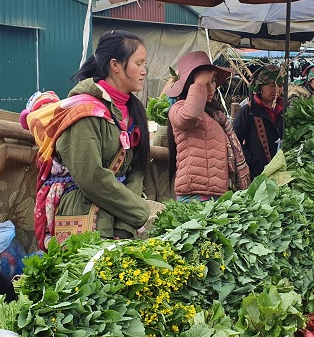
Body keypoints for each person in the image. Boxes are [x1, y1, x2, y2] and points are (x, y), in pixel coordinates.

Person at [25, 30, 152, 246]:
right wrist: (141, 212)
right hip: (82, 213)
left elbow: (137, 168)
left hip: (121, 216)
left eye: (144, 64)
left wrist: (126, 223)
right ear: (115, 65)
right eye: (138, 63)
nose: (144, 71)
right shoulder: (84, 112)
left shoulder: (133, 111)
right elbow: (91, 177)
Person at [168, 51, 250, 201]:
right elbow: (190, 115)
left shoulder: (215, 115)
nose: (211, 88)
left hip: (217, 195)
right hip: (195, 196)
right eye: (205, 83)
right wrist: (199, 83)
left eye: (212, 81)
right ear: (190, 86)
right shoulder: (179, 109)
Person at [233, 64, 284, 179]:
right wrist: (253, 162)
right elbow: (235, 142)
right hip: (258, 174)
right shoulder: (248, 111)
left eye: (280, 85)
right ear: (260, 86)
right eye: (272, 85)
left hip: (283, 172)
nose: (277, 90)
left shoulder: (286, 110)